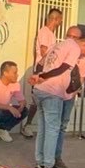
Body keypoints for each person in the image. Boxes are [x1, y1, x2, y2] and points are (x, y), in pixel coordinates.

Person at [30, 30, 85, 168]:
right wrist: (43, 76)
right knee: (53, 129)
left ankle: (40, 163)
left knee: (43, 128)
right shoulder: (74, 48)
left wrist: (38, 76)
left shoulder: (57, 45)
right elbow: (63, 67)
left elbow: (40, 64)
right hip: (52, 92)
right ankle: (49, 165)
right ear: (84, 44)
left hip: (40, 90)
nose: (84, 55)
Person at [22, 7, 64, 135]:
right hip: (41, 69)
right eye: (60, 20)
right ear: (56, 19)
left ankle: (41, 126)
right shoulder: (45, 32)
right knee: (36, 99)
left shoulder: (51, 34)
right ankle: (27, 125)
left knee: (44, 98)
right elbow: (44, 51)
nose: (61, 22)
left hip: (47, 70)